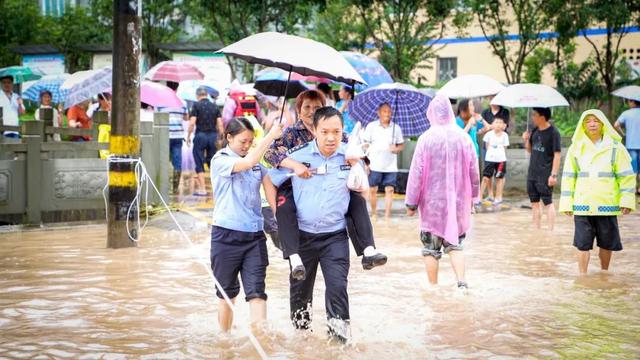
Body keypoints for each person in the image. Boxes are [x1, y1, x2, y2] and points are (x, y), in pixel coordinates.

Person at [264, 90, 386, 280]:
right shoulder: (290, 134)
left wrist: (355, 160)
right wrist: (294, 164)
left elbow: (361, 160)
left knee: (357, 203)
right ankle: (293, 255)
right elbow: (270, 156)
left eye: (317, 107)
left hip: (333, 195)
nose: (312, 111)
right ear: (298, 109)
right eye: (307, 107)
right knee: (286, 209)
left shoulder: (339, 135)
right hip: (297, 187)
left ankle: (367, 251)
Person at [267, 107, 356, 342]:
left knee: (338, 288)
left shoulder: (350, 155)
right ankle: (301, 343)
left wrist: (359, 166)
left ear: (342, 131)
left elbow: (363, 190)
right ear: (314, 130)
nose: (330, 137)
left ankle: (338, 343)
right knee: (300, 294)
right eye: (324, 131)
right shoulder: (297, 155)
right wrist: (278, 213)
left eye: (336, 132)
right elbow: (269, 179)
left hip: (335, 236)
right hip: (303, 237)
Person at [209, 117, 283, 332]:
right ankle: (224, 341)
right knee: (227, 294)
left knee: (257, 293)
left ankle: (260, 341)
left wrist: (284, 224)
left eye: (250, 141)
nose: (247, 145)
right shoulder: (220, 160)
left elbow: (272, 196)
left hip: (254, 238)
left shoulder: (259, 165)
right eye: (243, 141)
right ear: (229, 138)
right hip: (225, 237)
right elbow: (247, 163)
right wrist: (270, 136)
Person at [405, 94, 479, 289]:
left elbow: (416, 174)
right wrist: (474, 197)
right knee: (455, 244)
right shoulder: (464, 137)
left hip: (432, 205)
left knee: (430, 249)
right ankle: (461, 283)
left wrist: (411, 203)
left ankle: (433, 288)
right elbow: (474, 171)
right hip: (458, 203)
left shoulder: (425, 139)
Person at [559, 109, 636, 275]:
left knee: (607, 243)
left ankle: (604, 273)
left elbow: (626, 176)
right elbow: (568, 177)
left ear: (602, 124)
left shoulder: (616, 147)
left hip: (606, 203)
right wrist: (566, 203)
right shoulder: (576, 148)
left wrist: (626, 201)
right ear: (583, 125)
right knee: (582, 243)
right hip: (582, 203)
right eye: (588, 121)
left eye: (596, 120)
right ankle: (583, 277)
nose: (592, 124)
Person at [361, 102, 405, 219]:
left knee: (390, 190)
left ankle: (387, 216)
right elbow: (364, 144)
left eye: (389, 111)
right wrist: (366, 162)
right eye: (384, 111)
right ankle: (374, 213)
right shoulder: (371, 126)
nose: (387, 114)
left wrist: (395, 148)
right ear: (378, 113)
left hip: (391, 165)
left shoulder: (396, 128)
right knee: (373, 190)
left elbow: (401, 145)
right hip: (374, 164)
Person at [522, 107, 562, 230]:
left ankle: (551, 231)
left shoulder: (554, 133)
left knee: (548, 203)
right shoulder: (534, 130)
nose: (533, 117)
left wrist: (553, 175)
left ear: (542, 117)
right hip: (532, 173)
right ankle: (536, 231)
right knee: (534, 203)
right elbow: (529, 150)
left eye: (535, 115)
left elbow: (557, 155)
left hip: (545, 174)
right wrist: (526, 140)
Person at [187, 86, 222, 196]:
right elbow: (220, 125)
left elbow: (192, 122)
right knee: (212, 161)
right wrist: (220, 137)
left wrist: (188, 136)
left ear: (198, 95)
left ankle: (202, 189)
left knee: (198, 160)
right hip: (212, 136)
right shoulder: (214, 107)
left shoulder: (196, 106)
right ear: (206, 95)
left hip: (200, 135)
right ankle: (217, 188)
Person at [480, 97, 511, 200]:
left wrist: (490, 126)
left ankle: (499, 195)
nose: (492, 100)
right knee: (488, 172)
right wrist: (487, 128)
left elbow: (505, 126)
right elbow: (483, 128)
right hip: (489, 143)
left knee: (499, 173)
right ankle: (490, 194)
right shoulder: (485, 112)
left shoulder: (505, 111)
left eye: (494, 98)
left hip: (500, 145)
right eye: (490, 98)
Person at [477, 116, 509, 207]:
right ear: (492, 124)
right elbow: (487, 146)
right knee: (486, 178)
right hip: (490, 159)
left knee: (499, 178)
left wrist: (500, 156)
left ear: (503, 125)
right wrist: (491, 154)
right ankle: (479, 197)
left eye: (500, 122)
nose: (498, 124)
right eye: (496, 122)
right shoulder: (488, 135)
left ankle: (498, 198)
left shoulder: (505, 135)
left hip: (501, 160)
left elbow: (505, 148)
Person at [614, 98, 640, 194]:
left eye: (629, 101)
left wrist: (623, 134)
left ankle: (633, 189)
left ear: (633, 102)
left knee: (633, 169)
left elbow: (616, 125)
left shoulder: (626, 113)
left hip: (631, 145)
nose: (628, 103)